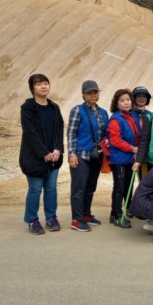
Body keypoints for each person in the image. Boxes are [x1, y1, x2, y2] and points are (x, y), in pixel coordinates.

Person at [19, 74, 64, 235]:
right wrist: (43, 152)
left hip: (54, 157)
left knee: (51, 189)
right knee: (35, 189)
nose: (44, 86)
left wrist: (58, 149)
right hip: (34, 158)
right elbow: (30, 132)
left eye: (46, 83)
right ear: (32, 88)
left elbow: (60, 129)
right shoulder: (28, 109)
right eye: (39, 84)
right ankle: (32, 220)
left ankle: (51, 218)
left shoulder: (54, 107)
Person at [67, 80, 109, 232]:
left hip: (96, 156)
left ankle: (85, 215)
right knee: (79, 188)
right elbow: (71, 132)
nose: (93, 95)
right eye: (89, 93)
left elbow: (106, 133)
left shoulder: (103, 112)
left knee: (90, 187)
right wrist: (71, 154)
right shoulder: (77, 110)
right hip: (81, 155)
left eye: (95, 92)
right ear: (83, 95)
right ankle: (76, 220)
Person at [107, 89, 140, 228]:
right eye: (122, 100)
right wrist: (132, 148)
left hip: (129, 159)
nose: (126, 102)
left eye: (128, 99)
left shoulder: (130, 116)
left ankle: (121, 212)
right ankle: (116, 215)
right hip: (119, 159)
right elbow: (115, 140)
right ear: (117, 103)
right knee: (119, 187)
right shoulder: (116, 118)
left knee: (128, 186)